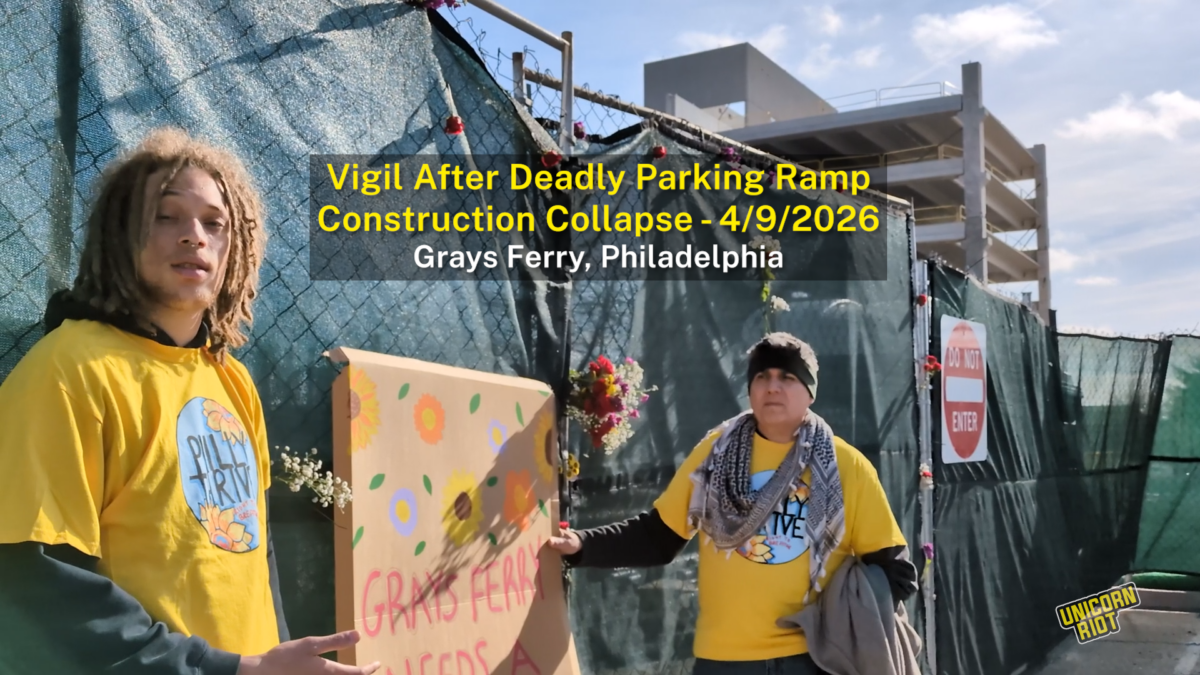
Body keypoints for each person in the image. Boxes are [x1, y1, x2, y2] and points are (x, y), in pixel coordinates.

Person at [0, 128, 380, 675]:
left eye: (214, 222)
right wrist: (227, 668)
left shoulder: (233, 380)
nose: (193, 236)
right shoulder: (68, 371)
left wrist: (270, 661)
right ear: (120, 234)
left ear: (237, 246)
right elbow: (32, 580)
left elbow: (258, 555)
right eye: (165, 216)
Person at [549, 332, 918, 675]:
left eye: (788, 377)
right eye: (762, 376)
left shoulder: (845, 466)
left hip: (812, 659)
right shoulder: (715, 453)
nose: (772, 386)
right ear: (750, 388)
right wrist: (582, 544)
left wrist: (834, 622)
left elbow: (896, 572)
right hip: (724, 660)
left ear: (810, 392)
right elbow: (658, 537)